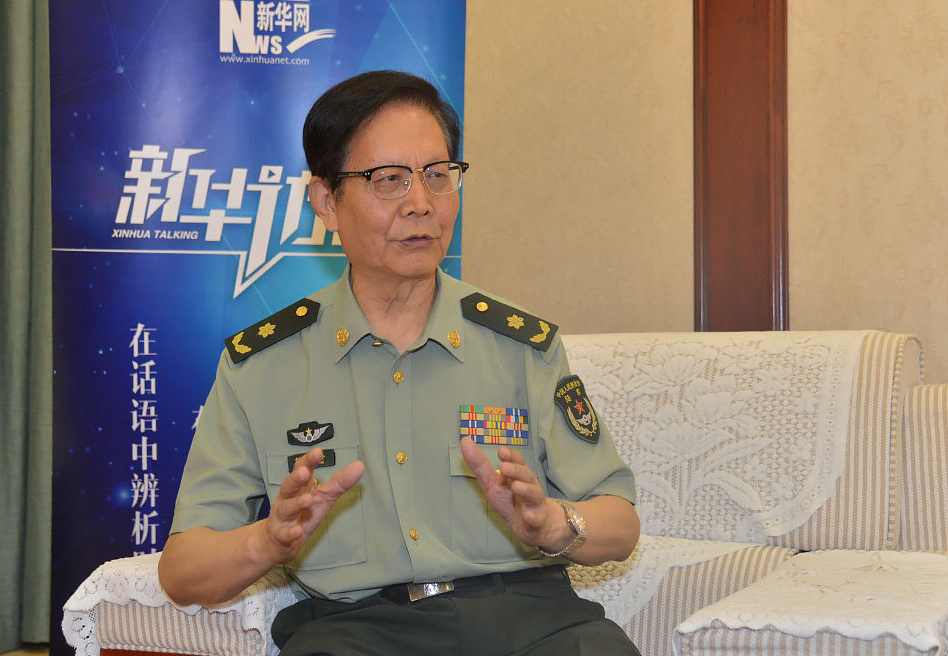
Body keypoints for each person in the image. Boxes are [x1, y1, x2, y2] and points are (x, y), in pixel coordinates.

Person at [158, 70, 641, 656]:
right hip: (357, 633)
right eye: (388, 180)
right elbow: (182, 570)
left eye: (439, 175)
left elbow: (620, 523)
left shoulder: (521, 346)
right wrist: (267, 542)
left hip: (531, 624)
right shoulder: (261, 366)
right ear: (326, 202)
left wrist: (554, 524)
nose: (420, 204)